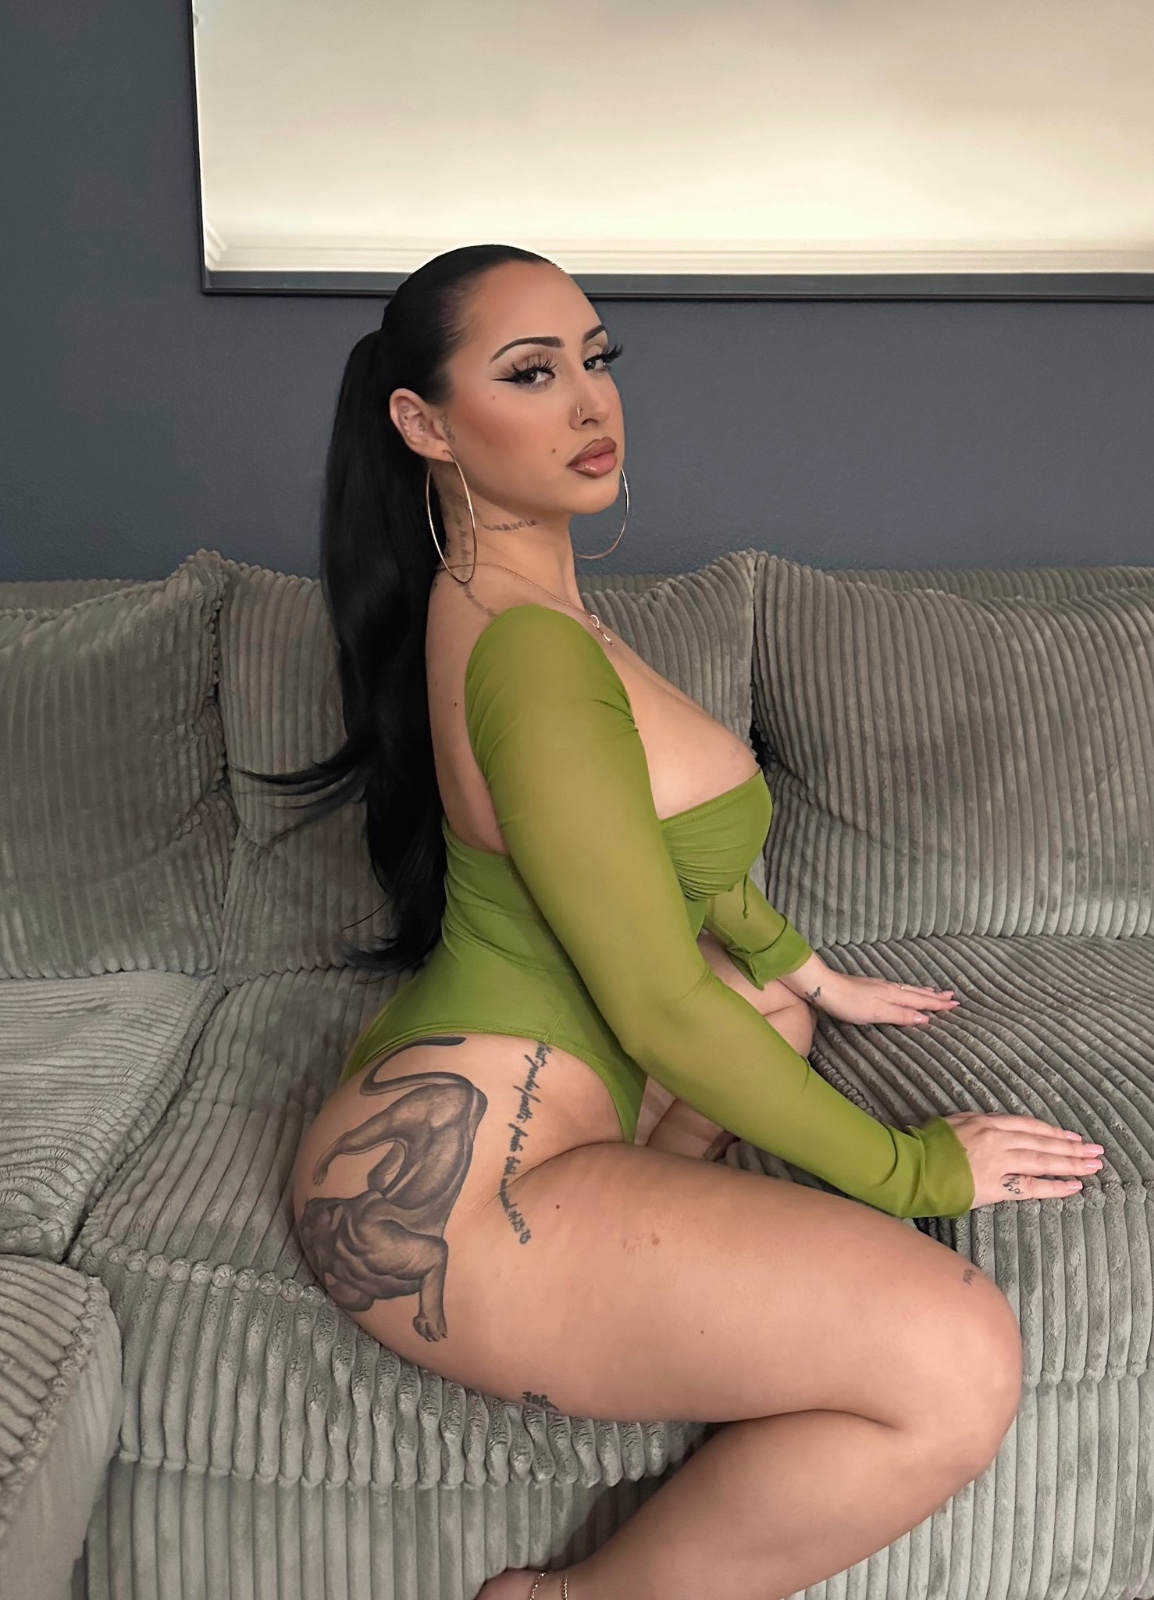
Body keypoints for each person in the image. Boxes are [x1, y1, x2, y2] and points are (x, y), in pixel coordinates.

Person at [274, 245, 1106, 1600]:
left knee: (762, 1008)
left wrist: (804, 971)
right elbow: (661, 1005)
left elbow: (670, 852)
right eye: (530, 373)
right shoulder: (526, 651)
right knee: (959, 1359)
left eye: (597, 360)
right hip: (460, 1207)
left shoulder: (529, 607)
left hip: (502, 1096)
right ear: (424, 424)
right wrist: (915, 1174)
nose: (589, 402)